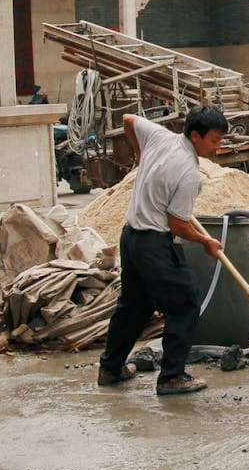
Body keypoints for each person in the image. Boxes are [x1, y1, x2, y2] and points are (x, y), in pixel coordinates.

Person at [97, 106, 228, 395]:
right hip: (154, 243)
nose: (218, 147)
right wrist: (206, 242)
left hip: (130, 238)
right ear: (195, 135)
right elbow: (178, 226)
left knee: (133, 306)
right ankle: (172, 376)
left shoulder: (159, 137)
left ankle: (111, 367)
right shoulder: (190, 175)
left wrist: (140, 156)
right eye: (215, 140)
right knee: (185, 304)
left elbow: (128, 120)